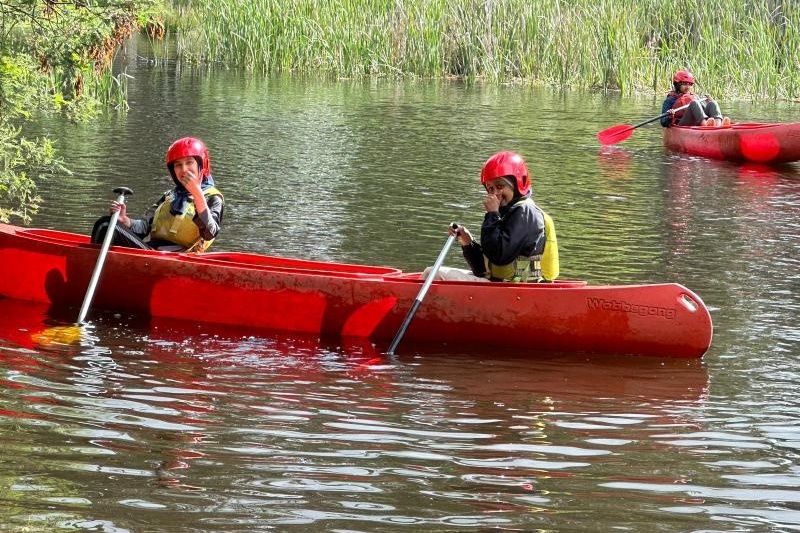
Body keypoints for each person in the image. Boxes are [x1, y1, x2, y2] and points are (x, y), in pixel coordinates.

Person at [432, 151, 559, 283]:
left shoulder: (525, 212)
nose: (495, 193)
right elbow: (483, 270)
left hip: (515, 291)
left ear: (516, 184)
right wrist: (468, 243)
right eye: (490, 188)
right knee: (434, 271)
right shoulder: (509, 213)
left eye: (500, 186)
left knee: (433, 274)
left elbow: (499, 256)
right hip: (502, 285)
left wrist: (491, 215)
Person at [91, 137, 224, 252]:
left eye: (189, 162)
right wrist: (126, 221)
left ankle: (91, 271)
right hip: (152, 251)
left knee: (105, 225)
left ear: (202, 165)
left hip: (178, 259)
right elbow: (144, 227)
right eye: (178, 165)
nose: (183, 170)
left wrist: (197, 193)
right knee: (108, 227)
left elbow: (210, 233)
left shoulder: (213, 198)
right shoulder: (170, 196)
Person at [660, 70, 730, 128]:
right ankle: (705, 126)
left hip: (697, 123)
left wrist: (708, 102)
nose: (687, 87)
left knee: (713, 103)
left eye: (690, 84)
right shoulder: (670, 100)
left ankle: (718, 126)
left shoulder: (695, 97)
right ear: (677, 84)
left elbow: (704, 111)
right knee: (694, 103)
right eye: (684, 84)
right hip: (682, 124)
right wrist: (669, 116)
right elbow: (663, 122)